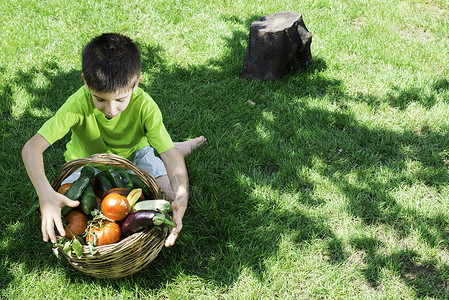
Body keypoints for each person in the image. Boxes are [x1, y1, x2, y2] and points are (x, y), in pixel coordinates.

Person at [21, 33, 206, 247]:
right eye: (100, 99)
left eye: (120, 100)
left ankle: (176, 147)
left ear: (136, 84)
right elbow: (31, 149)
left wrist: (182, 199)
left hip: (135, 155)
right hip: (87, 162)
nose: (111, 109)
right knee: (70, 210)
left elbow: (169, 158)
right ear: (86, 82)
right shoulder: (77, 104)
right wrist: (45, 194)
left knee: (168, 197)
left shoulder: (145, 106)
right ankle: (173, 146)